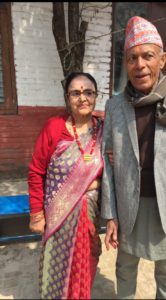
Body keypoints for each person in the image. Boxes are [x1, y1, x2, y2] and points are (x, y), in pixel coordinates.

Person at [101, 16, 166, 299]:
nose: (140, 65)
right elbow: (106, 167)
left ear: (163, 60)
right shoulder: (114, 106)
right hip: (128, 206)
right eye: (132, 57)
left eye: (148, 56)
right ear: (126, 63)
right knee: (124, 268)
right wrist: (110, 214)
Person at [28, 72, 104, 299]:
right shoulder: (53, 127)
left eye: (88, 92)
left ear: (95, 96)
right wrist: (35, 215)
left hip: (89, 214)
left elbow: (113, 171)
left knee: (84, 262)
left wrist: (95, 184)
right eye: (76, 93)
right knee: (57, 265)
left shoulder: (103, 129)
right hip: (57, 215)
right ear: (67, 97)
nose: (82, 98)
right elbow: (36, 172)